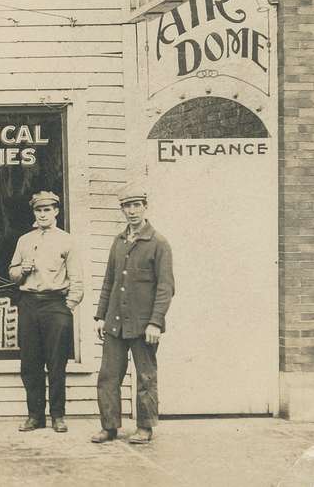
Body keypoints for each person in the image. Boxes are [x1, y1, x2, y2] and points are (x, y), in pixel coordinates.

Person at [91, 184, 174, 445]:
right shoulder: (118, 241)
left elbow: (166, 287)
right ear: (122, 210)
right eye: (127, 206)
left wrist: (155, 322)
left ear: (145, 207)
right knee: (108, 375)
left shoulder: (158, 243)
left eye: (137, 205)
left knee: (145, 376)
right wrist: (100, 315)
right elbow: (109, 281)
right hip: (115, 322)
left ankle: (145, 427)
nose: (132, 211)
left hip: (143, 324)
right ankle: (109, 426)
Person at [9, 191, 84, 433]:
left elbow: (77, 280)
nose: (43, 214)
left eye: (47, 210)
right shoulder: (24, 240)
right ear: (34, 213)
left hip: (55, 305)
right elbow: (12, 274)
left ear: (56, 212)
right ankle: (35, 416)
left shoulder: (67, 241)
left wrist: (68, 307)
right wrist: (22, 269)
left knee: (56, 364)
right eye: (38, 210)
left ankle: (58, 416)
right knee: (30, 364)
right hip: (29, 303)